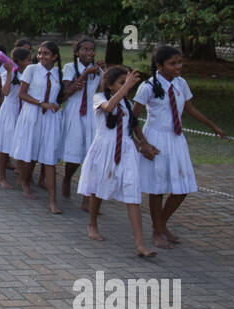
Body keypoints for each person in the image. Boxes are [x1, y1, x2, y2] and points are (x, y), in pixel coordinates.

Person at [133, 44, 225, 248]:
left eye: (179, 62)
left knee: (182, 187)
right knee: (157, 188)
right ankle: (157, 231)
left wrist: (213, 126)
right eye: (172, 63)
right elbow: (133, 118)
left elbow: (189, 109)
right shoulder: (148, 87)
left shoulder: (181, 83)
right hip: (156, 139)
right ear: (159, 65)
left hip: (176, 139)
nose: (178, 67)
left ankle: (162, 223)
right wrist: (143, 144)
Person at [77, 66, 159, 258]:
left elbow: (133, 126)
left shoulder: (127, 104)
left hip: (127, 150)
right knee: (98, 188)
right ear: (110, 85)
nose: (126, 86)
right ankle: (92, 223)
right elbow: (109, 107)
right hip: (105, 149)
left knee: (133, 192)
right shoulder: (99, 98)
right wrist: (126, 88)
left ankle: (140, 245)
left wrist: (144, 144)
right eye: (122, 83)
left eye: (127, 82)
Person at [11, 42, 64, 211]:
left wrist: (53, 105)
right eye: (40, 53)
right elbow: (22, 94)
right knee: (29, 152)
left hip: (50, 119)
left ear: (55, 56)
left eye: (46, 54)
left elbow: (60, 94)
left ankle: (52, 200)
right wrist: (42, 103)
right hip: (32, 115)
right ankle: (25, 182)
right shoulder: (31, 70)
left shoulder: (58, 73)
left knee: (49, 158)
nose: (41, 57)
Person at [60, 37, 104, 208]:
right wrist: (85, 73)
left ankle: (87, 197)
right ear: (77, 52)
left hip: (92, 114)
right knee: (74, 150)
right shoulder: (70, 68)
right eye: (84, 49)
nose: (89, 53)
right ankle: (67, 177)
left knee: (91, 153)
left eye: (91, 49)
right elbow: (67, 92)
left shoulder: (99, 70)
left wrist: (102, 73)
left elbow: (101, 92)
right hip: (74, 111)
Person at [0, 47, 32, 189]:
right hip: (10, 110)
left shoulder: (30, 73)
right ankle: (2, 177)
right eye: (27, 60)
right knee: (5, 144)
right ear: (18, 62)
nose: (30, 62)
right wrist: (9, 73)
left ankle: (22, 176)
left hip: (23, 110)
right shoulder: (7, 72)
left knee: (22, 143)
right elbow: (6, 92)